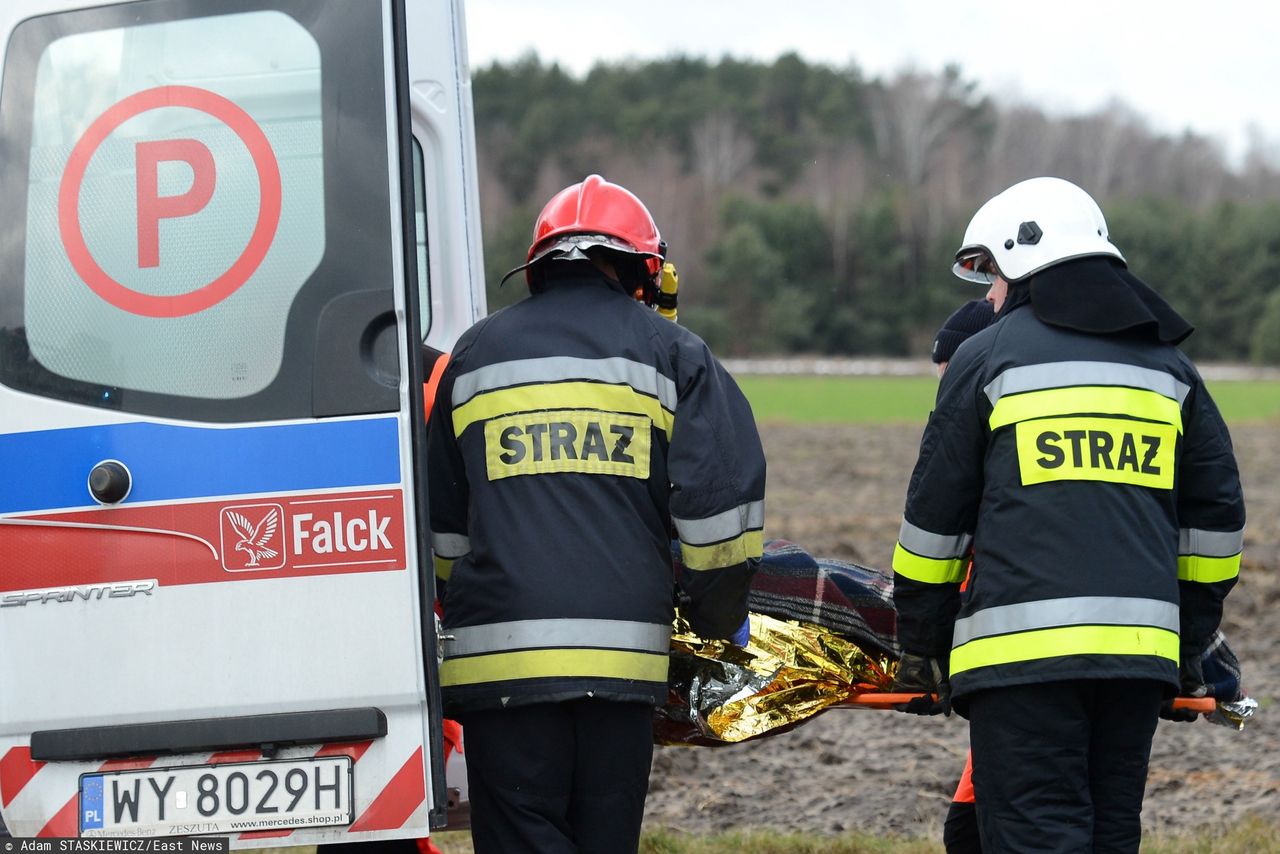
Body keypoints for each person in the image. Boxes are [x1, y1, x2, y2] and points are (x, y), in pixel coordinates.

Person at [890, 177, 1246, 851]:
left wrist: (922, 645)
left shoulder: (986, 358)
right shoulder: (1172, 369)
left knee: (1035, 836)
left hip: (1021, 666)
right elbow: (1217, 522)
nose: (989, 297)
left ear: (1022, 260)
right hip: (1138, 664)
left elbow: (935, 525)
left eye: (991, 277)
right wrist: (1189, 640)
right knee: (1110, 834)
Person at [426, 174, 766, 854]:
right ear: (642, 267)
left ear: (540, 266)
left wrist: (458, 604)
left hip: (500, 672)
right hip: (621, 672)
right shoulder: (674, 355)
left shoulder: (473, 355)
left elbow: (444, 534)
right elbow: (719, 520)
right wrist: (716, 621)